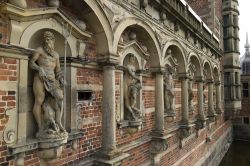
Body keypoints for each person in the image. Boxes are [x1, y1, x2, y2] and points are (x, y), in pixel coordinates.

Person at [30, 31, 65, 138]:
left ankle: (58, 122)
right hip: (40, 78)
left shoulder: (56, 55)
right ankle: (40, 127)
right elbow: (31, 62)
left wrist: (61, 77)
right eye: (46, 39)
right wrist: (39, 68)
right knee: (39, 100)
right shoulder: (40, 50)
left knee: (60, 98)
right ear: (44, 40)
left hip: (52, 79)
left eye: (50, 39)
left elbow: (58, 69)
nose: (48, 41)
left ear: (53, 41)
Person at [124, 55, 142, 120]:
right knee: (127, 100)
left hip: (132, 84)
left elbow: (133, 76)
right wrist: (138, 79)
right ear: (129, 59)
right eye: (131, 59)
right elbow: (131, 74)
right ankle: (132, 113)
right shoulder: (128, 66)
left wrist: (137, 81)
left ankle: (132, 111)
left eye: (133, 59)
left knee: (133, 98)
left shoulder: (134, 67)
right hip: (126, 84)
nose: (133, 60)